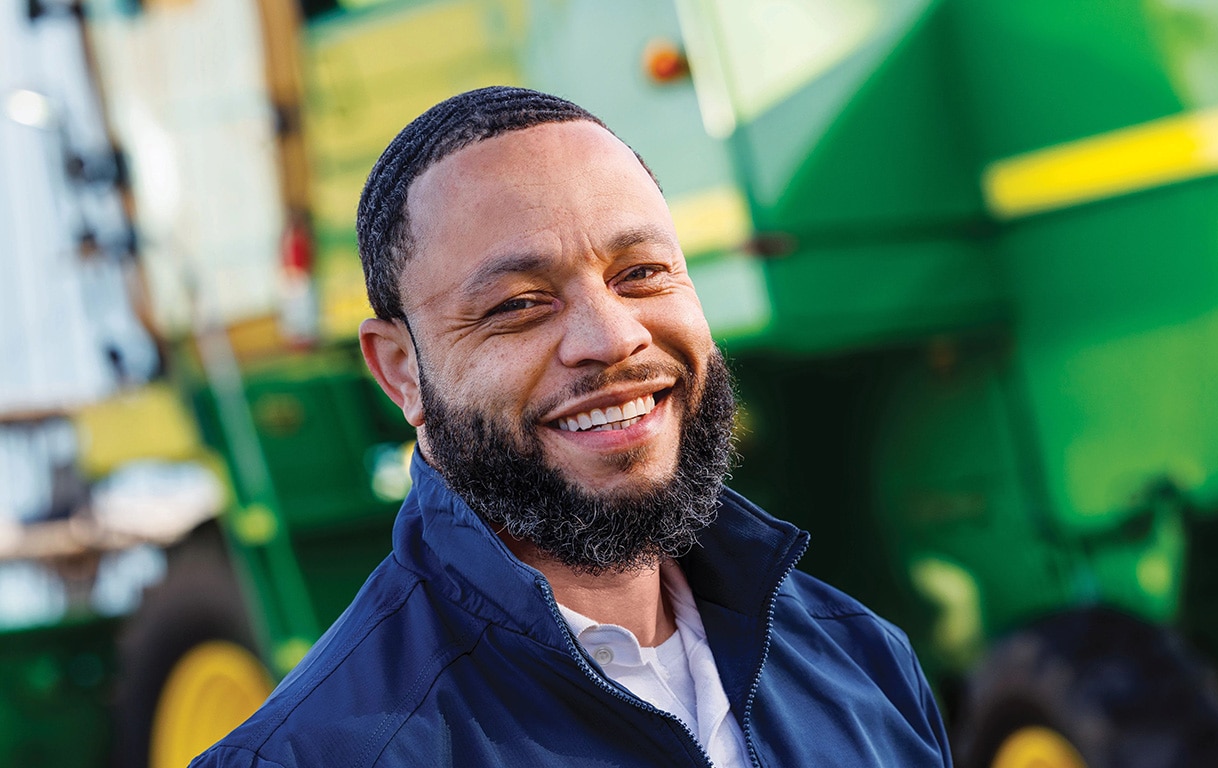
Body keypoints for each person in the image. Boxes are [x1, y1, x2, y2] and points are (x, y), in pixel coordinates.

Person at [192, 86, 953, 767]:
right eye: (519, 304)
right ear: (400, 370)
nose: (613, 336)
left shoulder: (861, 660)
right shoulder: (311, 758)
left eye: (640, 274)